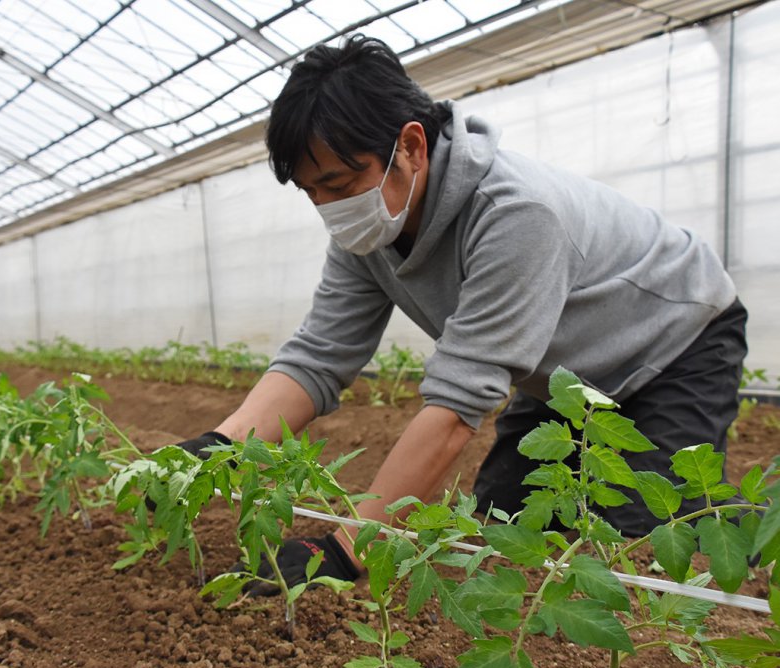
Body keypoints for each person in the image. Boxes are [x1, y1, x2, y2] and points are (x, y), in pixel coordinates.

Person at [177, 34, 747, 590]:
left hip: (676, 345)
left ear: (412, 147)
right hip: (565, 380)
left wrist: (349, 549)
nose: (329, 208)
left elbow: (456, 405)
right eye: (311, 192)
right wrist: (218, 448)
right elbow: (319, 357)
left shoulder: (515, 213)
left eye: (340, 183)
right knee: (499, 533)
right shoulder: (369, 232)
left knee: (632, 559)